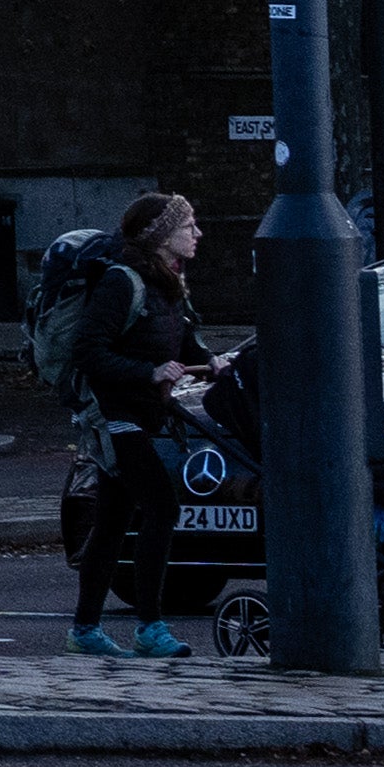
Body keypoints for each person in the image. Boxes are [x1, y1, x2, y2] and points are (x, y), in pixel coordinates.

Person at [55, 183, 235, 654]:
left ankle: (85, 630)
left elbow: (181, 338)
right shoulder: (122, 282)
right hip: (114, 417)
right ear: (160, 235)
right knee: (162, 507)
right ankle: (150, 628)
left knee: (113, 522)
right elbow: (88, 351)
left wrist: (210, 360)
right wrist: (148, 371)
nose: (197, 233)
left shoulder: (168, 281)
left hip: (145, 415)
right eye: (188, 226)